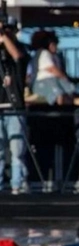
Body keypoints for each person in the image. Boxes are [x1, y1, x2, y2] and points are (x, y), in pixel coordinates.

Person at [0, 16, 28, 194]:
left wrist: (4, 36)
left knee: (17, 150)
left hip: (15, 106)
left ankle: (17, 186)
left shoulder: (20, 50)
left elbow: (17, 56)